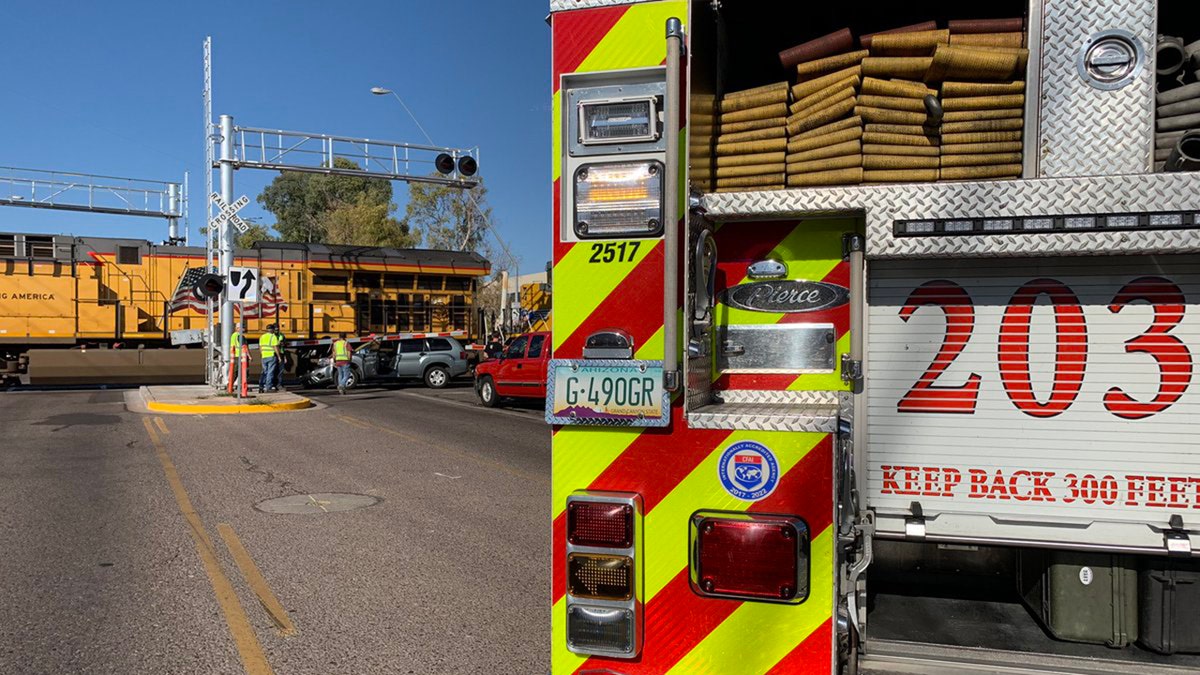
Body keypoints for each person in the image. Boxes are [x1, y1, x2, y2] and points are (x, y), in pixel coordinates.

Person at [258, 323, 283, 393]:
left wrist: (262, 354)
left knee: (264, 371)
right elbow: (275, 347)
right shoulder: (273, 337)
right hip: (271, 356)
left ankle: (261, 386)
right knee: (270, 372)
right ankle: (268, 387)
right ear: (272, 330)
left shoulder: (262, 336)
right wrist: (279, 356)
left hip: (264, 356)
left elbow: (260, 346)